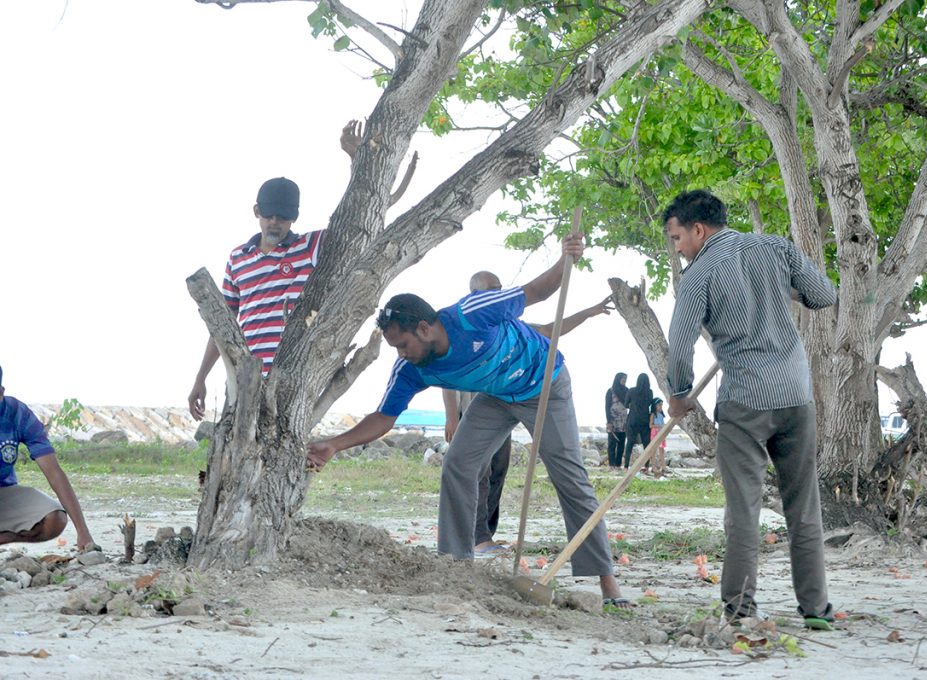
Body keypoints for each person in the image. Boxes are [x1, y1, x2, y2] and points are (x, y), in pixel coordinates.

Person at [308, 235, 631, 605]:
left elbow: (538, 292)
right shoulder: (411, 369)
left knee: (570, 477)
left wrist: (566, 258)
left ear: (425, 329)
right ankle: (455, 566)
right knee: (458, 464)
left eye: (402, 345)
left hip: (544, 383)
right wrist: (334, 444)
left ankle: (607, 583)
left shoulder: (474, 312)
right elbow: (384, 417)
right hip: (494, 396)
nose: (401, 354)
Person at [662, 188, 837, 630]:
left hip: (745, 401)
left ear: (698, 230)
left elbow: (679, 349)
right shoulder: (776, 247)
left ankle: (741, 609)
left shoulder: (698, 275)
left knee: (743, 510)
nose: (678, 248)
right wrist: (786, 293)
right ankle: (816, 610)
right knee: (803, 507)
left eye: (677, 237)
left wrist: (680, 394)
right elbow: (824, 295)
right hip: (797, 395)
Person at [187, 123, 363, 420]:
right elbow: (222, 324)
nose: (274, 223)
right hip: (245, 376)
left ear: (294, 218)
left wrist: (356, 161)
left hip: (291, 376)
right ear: (257, 211)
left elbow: (354, 215)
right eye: (269, 216)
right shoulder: (238, 258)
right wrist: (200, 377)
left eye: (283, 218)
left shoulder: (310, 248)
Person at [442, 272, 612, 555]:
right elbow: (446, 378)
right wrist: (451, 418)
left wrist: (589, 312)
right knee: (471, 470)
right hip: (476, 407)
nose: (499, 293)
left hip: (512, 400)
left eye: (500, 289)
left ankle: (487, 534)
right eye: (492, 290)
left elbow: (549, 329)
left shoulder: (510, 325)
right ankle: (475, 541)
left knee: (498, 468)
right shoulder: (464, 324)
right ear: (473, 294)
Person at [0, 365, 95, 552]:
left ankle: (5, 538)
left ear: (1, 392)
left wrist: (82, 530)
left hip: (4, 491)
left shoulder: (17, 413)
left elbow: (54, 472)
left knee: (55, 519)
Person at [622, 373, 653, 469]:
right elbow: (649, 404)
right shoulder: (649, 392)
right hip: (644, 420)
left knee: (630, 443)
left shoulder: (631, 391)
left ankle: (626, 466)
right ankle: (646, 466)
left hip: (632, 420)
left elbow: (625, 404)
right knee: (646, 444)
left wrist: (632, 405)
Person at [604, 373, 628, 469]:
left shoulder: (627, 390)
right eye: (623, 379)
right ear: (618, 379)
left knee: (621, 443)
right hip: (613, 421)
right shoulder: (610, 391)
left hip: (623, 421)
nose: (624, 381)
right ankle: (611, 465)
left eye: (625, 379)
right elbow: (607, 407)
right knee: (612, 444)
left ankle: (618, 465)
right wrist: (609, 421)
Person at [648, 398, 667, 475]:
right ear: (655, 406)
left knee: (662, 450)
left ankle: (663, 466)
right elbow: (650, 425)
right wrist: (659, 426)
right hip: (655, 433)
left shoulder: (661, 415)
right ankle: (653, 467)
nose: (661, 407)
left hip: (661, 433)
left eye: (661, 405)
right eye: (659, 405)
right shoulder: (653, 414)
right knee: (654, 451)